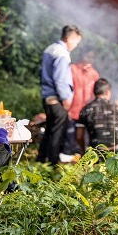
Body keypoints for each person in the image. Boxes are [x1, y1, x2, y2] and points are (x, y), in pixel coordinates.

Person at [36, 25, 82, 165]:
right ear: (69, 38)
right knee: (57, 133)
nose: (75, 45)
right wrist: (66, 98)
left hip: (47, 97)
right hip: (56, 99)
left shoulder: (50, 48)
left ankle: (41, 160)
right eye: (76, 42)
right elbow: (60, 79)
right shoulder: (62, 53)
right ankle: (53, 165)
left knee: (50, 130)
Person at [76, 79, 118, 154]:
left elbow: (79, 136)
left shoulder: (85, 110)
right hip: (117, 151)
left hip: (97, 152)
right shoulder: (116, 108)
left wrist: (82, 151)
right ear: (107, 92)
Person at [66, 51, 100, 155]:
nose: (90, 59)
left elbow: (96, 93)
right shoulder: (72, 69)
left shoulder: (94, 74)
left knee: (86, 139)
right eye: (88, 56)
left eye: (92, 57)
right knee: (70, 138)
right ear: (82, 56)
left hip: (87, 112)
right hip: (73, 110)